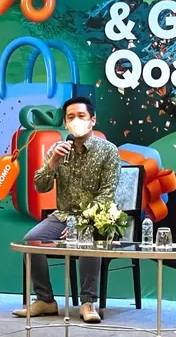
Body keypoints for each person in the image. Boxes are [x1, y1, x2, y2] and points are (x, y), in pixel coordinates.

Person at [12, 97, 121, 324]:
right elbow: (40, 186)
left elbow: (107, 194)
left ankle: (88, 302)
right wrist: (53, 161)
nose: (76, 121)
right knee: (30, 241)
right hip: (63, 215)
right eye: (70, 117)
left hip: (96, 217)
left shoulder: (108, 150)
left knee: (87, 239)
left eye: (81, 116)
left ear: (92, 120)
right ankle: (45, 300)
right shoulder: (58, 149)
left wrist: (82, 222)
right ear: (65, 123)